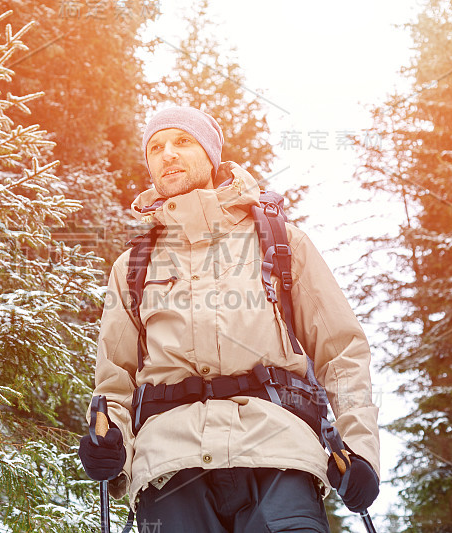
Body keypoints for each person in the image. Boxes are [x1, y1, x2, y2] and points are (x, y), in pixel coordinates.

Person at [79, 106, 380, 532]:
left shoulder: (281, 244)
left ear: (212, 154)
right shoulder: (133, 266)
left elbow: (342, 351)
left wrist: (360, 447)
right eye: (156, 147)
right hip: (169, 468)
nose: (168, 154)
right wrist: (110, 442)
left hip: (279, 455)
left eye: (182, 141)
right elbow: (114, 381)